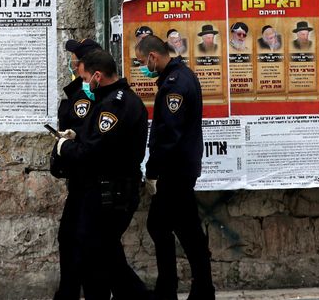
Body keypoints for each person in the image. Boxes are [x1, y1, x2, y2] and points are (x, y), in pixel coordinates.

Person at [52, 49, 149, 300]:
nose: (83, 84)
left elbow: (94, 151)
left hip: (110, 191)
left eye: (84, 79)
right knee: (102, 254)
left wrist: (66, 147)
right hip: (105, 190)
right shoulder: (115, 99)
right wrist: (78, 137)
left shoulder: (114, 105)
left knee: (98, 255)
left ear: (97, 76)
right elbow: (102, 141)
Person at [134, 35, 215, 300]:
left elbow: (169, 133)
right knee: (178, 227)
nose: (142, 68)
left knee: (168, 227)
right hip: (181, 167)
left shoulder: (174, 84)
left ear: (153, 57)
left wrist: (153, 171)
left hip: (175, 169)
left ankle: (178, 289)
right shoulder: (181, 76)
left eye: (141, 62)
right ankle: (191, 288)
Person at [51, 38, 101, 300]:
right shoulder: (78, 92)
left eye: (74, 57)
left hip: (89, 181)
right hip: (80, 182)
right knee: (70, 239)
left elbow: (85, 137)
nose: (71, 61)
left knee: (81, 243)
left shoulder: (87, 96)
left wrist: (66, 147)